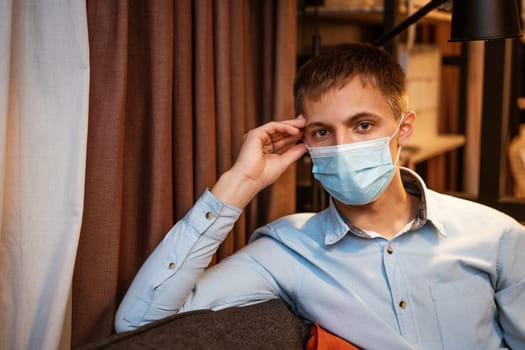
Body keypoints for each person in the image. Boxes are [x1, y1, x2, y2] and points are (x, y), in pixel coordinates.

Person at [115, 43, 525, 349]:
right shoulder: (286, 249)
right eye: (323, 132)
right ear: (304, 141)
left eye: (363, 125)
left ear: (403, 129)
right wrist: (239, 183)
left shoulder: (497, 236)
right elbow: (138, 321)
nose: (343, 146)